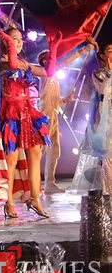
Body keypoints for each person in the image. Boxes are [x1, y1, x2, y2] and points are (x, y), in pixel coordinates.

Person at [0, 27, 54, 219]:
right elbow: (12, 66)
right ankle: (9, 202)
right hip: (11, 115)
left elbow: (48, 72)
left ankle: (35, 199)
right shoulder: (0, 62)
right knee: (11, 161)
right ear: (5, 42)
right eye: (14, 39)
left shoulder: (24, 63)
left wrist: (55, 49)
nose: (19, 42)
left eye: (20, 39)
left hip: (28, 112)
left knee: (36, 154)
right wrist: (10, 46)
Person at [37, 39, 97, 193]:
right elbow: (65, 62)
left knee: (54, 150)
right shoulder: (44, 74)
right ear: (45, 61)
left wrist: (64, 100)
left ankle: (49, 184)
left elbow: (55, 101)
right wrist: (83, 51)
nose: (55, 60)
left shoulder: (54, 78)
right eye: (51, 58)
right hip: (44, 114)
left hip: (53, 112)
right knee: (40, 150)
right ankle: (33, 183)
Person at [72, 43, 112, 192]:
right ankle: (108, 193)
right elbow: (103, 90)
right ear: (103, 56)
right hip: (106, 119)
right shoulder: (98, 74)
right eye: (110, 51)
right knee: (107, 156)